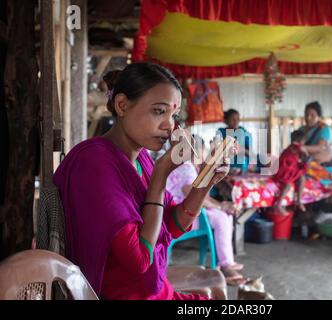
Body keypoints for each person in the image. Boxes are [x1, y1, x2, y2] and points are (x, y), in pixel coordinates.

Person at [53, 63, 231, 300]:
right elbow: (140, 259)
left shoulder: (141, 159)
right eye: (159, 111)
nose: (169, 125)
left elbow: (171, 225)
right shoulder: (93, 163)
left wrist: (207, 180)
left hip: (156, 292)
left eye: (173, 115)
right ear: (122, 105)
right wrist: (160, 175)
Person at [167, 135, 247, 285]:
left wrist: (220, 205)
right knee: (222, 217)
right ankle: (226, 265)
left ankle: (224, 261)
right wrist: (221, 206)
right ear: (197, 152)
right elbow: (193, 196)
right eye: (204, 149)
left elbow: (199, 196)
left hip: (178, 214)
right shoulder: (187, 168)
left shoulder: (182, 166)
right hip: (180, 219)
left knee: (224, 215)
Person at [272, 130, 308, 215]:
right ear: (300, 141)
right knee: (288, 184)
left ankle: (299, 200)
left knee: (302, 178)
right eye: (303, 142)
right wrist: (305, 153)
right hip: (283, 171)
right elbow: (302, 152)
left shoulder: (295, 148)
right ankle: (278, 204)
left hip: (290, 169)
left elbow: (297, 159)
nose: (303, 144)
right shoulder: (294, 147)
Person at [217, 109, 252, 174]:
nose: (236, 122)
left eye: (238, 119)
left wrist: (240, 149)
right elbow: (217, 151)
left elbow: (250, 153)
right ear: (226, 121)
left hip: (241, 170)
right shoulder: (221, 132)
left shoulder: (244, 133)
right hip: (224, 169)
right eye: (232, 119)